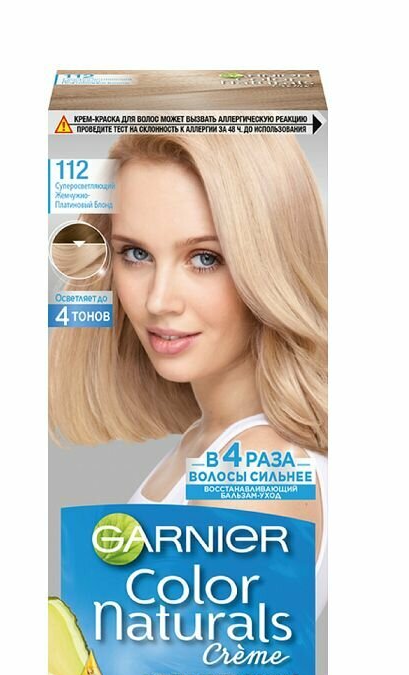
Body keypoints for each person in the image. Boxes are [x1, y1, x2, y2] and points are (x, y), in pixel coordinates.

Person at [49, 133, 327, 614]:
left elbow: (210, 668)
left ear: (272, 266)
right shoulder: (210, 441)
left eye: (204, 258)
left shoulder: (251, 471)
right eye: (136, 254)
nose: (158, 300)